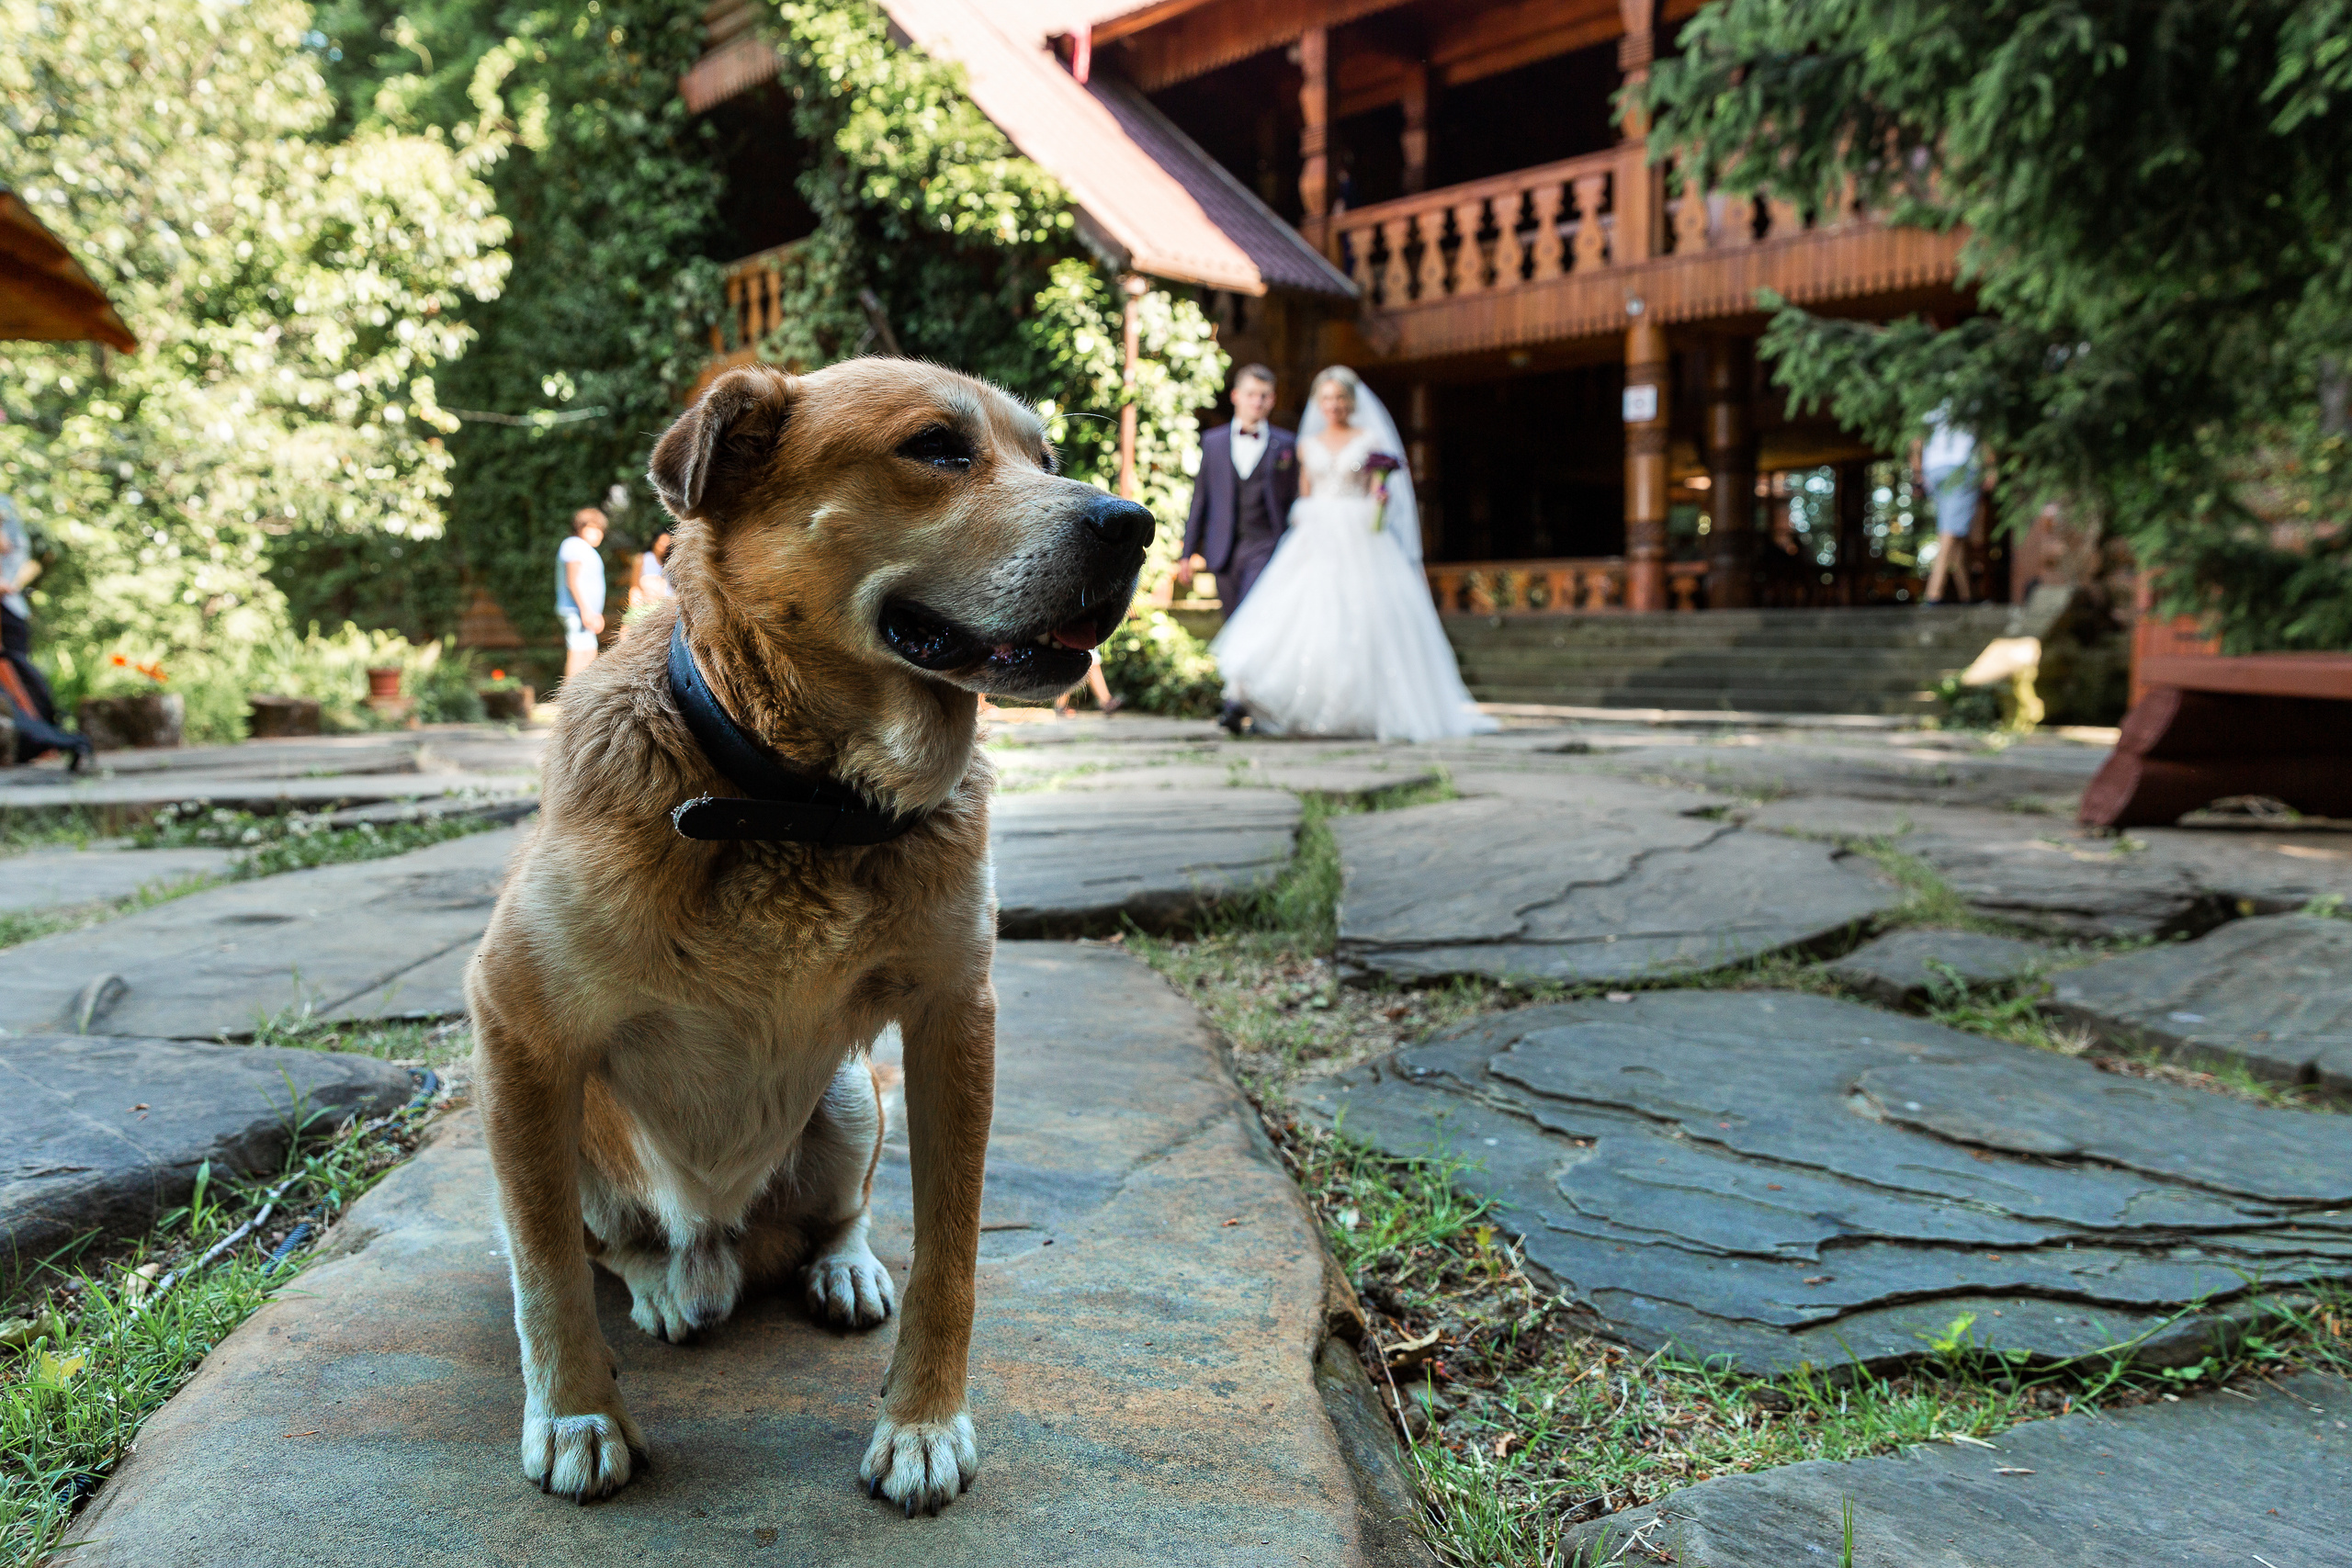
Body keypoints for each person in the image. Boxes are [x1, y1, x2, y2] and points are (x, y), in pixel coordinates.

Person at [1209, 366, 1496, 742]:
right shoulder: (1306, 445)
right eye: (1326, 398)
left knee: (1362, 617)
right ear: (1318, 403)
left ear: (1351, 402)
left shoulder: (1371, 438)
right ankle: (1288, 703)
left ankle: (1364, 707)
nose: (1333, 405)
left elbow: (1381, 491)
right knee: (1304, 618)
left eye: (1340, 398)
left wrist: (1380, 498)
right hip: (1313, 535)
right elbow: (1304, 492)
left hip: (1361, 535)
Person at [1177, 364, 1298, 733]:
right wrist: (1186, 551)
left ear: (1272, 400)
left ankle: (1235, 701)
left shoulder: (1286, 445)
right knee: (1236, 623)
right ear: (1236, 397)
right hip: (1223, 550)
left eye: (1264, 396)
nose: (1257, 402)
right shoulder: (1212, 442)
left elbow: (1294, 498)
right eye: (1250, 394)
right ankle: (1254, 703)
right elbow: (1202, 499)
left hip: (1267, 546)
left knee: (1251, 621)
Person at [1912, 407, 1991, 604]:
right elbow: (1985, 432)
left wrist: (1917, 472)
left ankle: (1968, 596)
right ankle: (1933, 595)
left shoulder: (1931, 396)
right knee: (1950, 532)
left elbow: (1916, 438)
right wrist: (1991, 466)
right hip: (1963, 465)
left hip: (1934, 468)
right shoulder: (1972, 392)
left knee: (1956, 533)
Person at [556, 507, 607, 678]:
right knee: (578, 655)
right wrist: (586, 612)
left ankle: (582, 701)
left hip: (586, 614)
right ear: (580, 527)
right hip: (577, 612)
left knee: (590, 655)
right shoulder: (573, 545)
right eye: (592, 528)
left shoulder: (586, 549)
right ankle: (569, 702)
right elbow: (573, 581)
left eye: (600, 529)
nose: (597, 533)